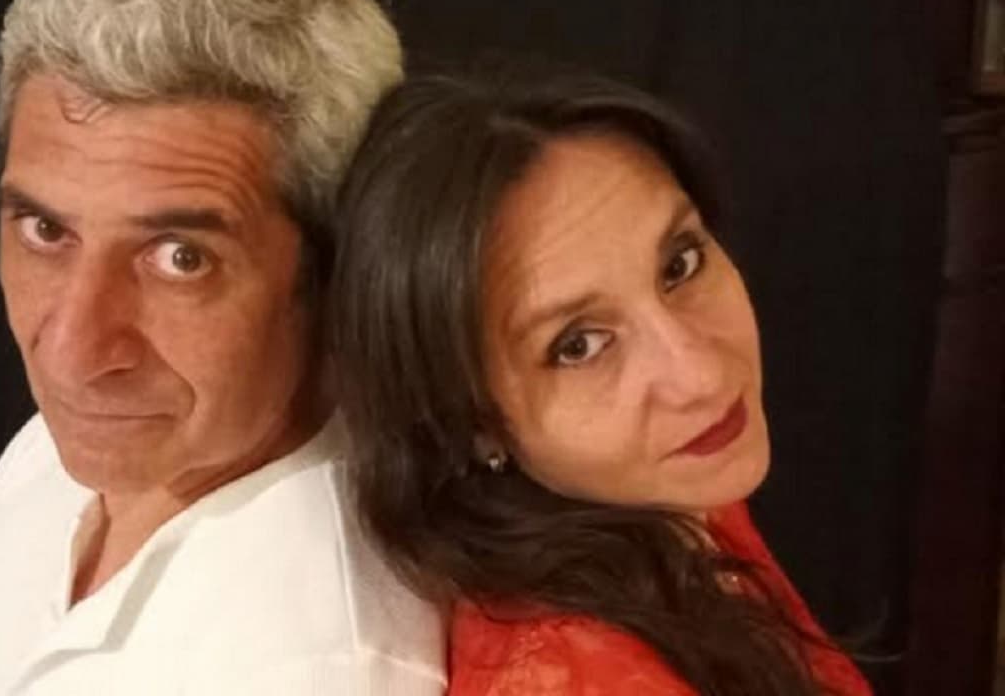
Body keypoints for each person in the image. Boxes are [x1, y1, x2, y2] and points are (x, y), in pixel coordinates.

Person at [0, 0, 445, 694]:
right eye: (46, 231)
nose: (73, 353)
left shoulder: (307, 668)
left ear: (342, 272)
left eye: (181, 258)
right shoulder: (76, 449)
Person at [330, 67, 873, 696]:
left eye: (680, 265)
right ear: (472, 422)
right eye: (579, 346)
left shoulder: (670, 496)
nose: (699, 375)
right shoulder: (574, 677)